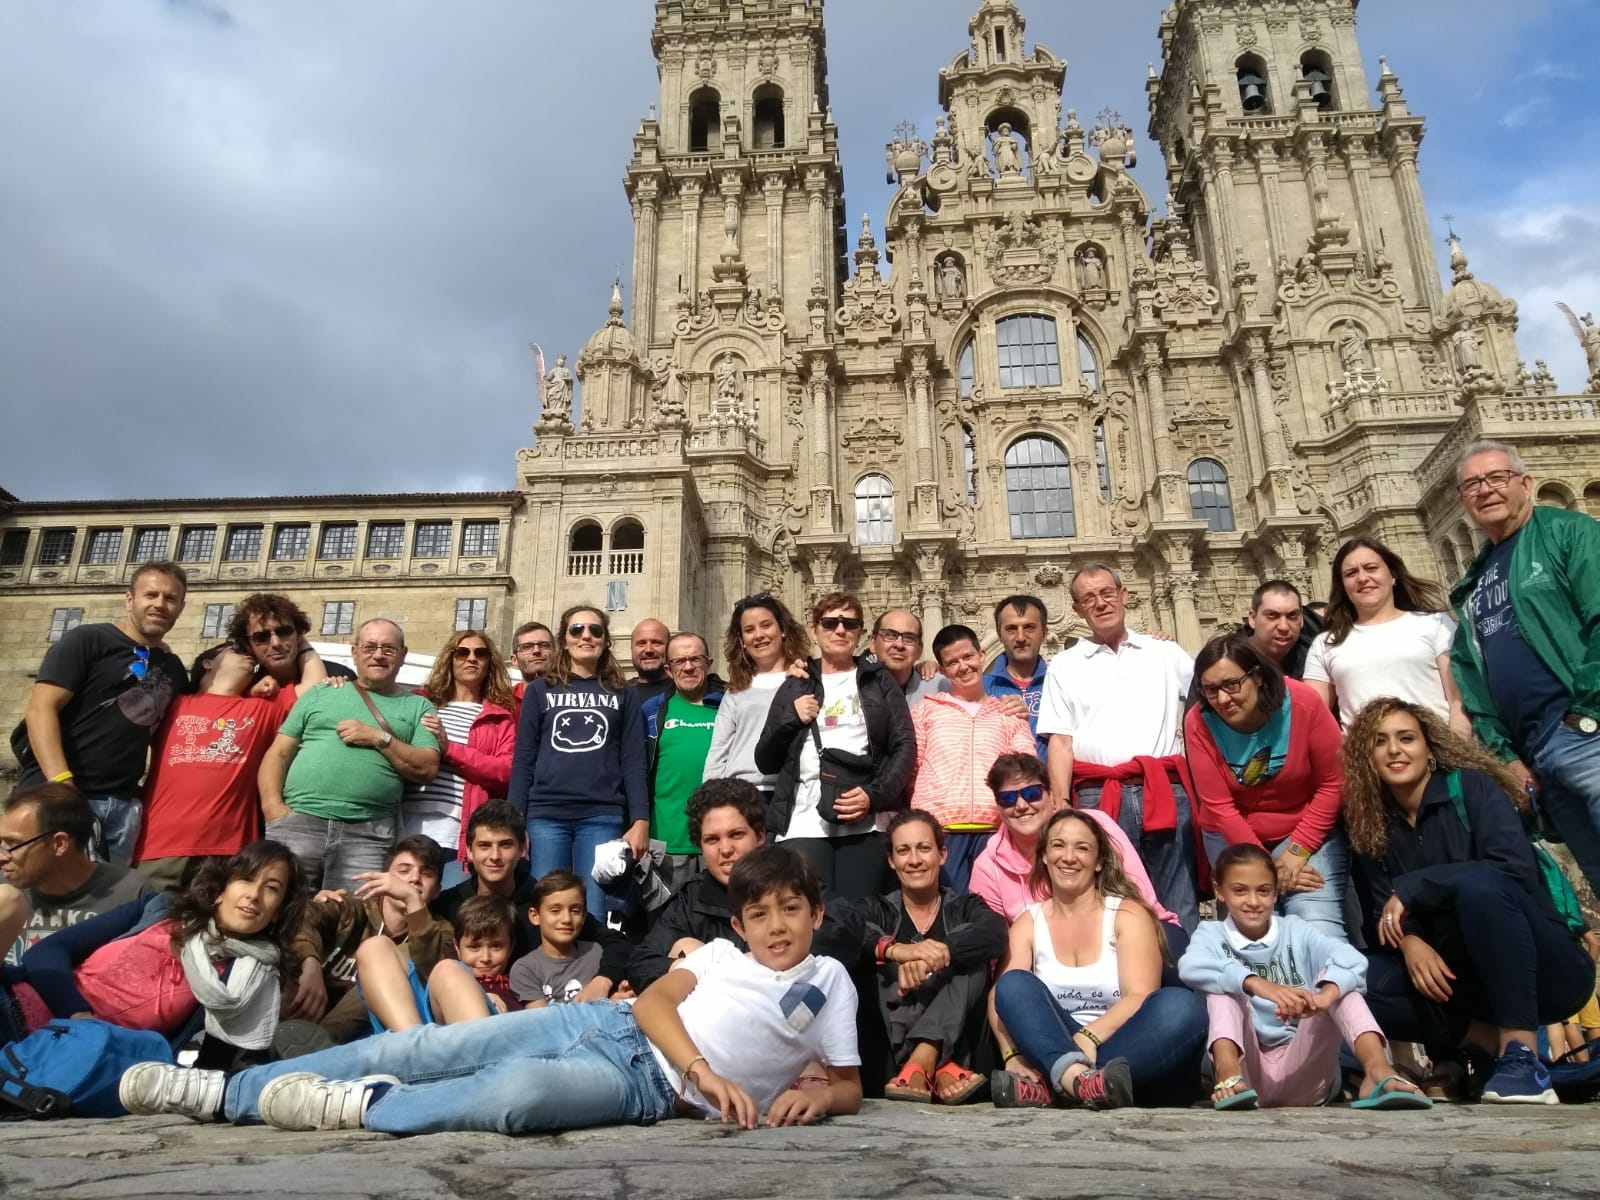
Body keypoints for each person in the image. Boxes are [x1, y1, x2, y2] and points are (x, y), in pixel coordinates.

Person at [120, 845, 864, 1135]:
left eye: (791, 911)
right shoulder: (723, 957)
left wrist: (818, 1097)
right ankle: (222, 1095)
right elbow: (656, 1002)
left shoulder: (829, 982)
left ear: (816, 913)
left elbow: (848, 1085)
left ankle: (366, 1106)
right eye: (759, 913)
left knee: (515, 1098)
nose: (776, 927)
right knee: (440, 1044)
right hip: (617, 1028)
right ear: (739, 919)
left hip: (644, 1087)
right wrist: (707, 1071)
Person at [1344, 697, 1596, 1104]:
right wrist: (1409, 941)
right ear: (1366, 757)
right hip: (1459, 981)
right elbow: (1380, 910)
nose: (1394, 750)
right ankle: (1496, 1048)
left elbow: (1511, 870)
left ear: (1429, 750)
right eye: (1379, 742)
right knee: (1354, 978)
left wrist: (1414, 886)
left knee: (1481, 885)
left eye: (1406, 738)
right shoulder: (1370, 825)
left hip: (1544, 970)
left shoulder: (1473, 787)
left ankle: (1523, 1052)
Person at [1450, 438, 1600, 899]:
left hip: (1583, 734)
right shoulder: (1473, 582)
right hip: (1534, 754)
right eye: (1473, 484)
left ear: (1526, 483)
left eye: (1496, 477)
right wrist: (1507, 756)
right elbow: (1473, 680)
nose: (1485, 490)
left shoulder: (1568, 533)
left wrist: (1585, 713)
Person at [1179, 843, 1430, 1110]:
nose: (1253, 902)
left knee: (1338, 980)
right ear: (1219, 891)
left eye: (1263, 891)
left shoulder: (1296, 930)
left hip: (1304, 1073)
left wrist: (1325, 997)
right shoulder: (1212, 934)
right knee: (1224, 987)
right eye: (1240, 890)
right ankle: (1226, 1074)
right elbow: (1190, 966)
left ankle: (1378, 1071)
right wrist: (1259, 984)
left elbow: (1353, 959)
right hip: (1246, 1075)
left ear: (1276, 893)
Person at [0, 842, 305, 1060]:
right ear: (222, 887)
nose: (253, 895)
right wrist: (79, 1016)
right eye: (246, 879)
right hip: (14, 1004)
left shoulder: (246, 979)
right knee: (7, 899)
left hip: (69, 1058)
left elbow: (213, 1066)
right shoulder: (158, 910)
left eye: (271, 888)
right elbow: (46, 952)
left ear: (278, 910)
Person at [988, 810, 1207, 1109]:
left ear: (1100, 861)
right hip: (1056, 1041)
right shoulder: (1029, 922)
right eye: (1058, 845)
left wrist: (1087, 1038)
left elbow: (1140, 995)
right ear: (1043, 856)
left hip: (1126, 1045)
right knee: (1012, 985)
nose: (1068, 857)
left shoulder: (1127, 914)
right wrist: (1012, 1057)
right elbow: (1000, 997)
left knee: (1183, 1006)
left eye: (1082, 848)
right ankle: (1081, 1082)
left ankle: (1062, 1085)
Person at [1037, 563, 1200, 930]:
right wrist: (1061, 807)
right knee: (1113, 899)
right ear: (1078, 609)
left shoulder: (1165, 653)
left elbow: (1204, 708)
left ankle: (1185, 982)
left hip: (1164, 788)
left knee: (1179, 894)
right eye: (1088, 598)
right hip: (1098, 795)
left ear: (1124, 596)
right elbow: (1060, 741)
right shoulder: (1064, 664)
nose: (1100, 603)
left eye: (1107, 593)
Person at [11, 559, 190, 863]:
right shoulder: (89, 640)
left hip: (122, 807)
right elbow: (41, 709)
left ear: (181, 607)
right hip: (53, 795)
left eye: (170, 598)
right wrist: (62, 784)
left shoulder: (173, 669)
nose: (160, 604)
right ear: (130, 599)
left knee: (102, 908)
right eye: (151, 595)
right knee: (23, 900)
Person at [627, 779, 865, 993]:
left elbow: (846, 932)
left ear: (760, 837)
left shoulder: (790, 877)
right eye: (712, 839)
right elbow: (641, 963)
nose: (726, 849)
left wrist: (742, 965)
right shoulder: (692, 897)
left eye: (736, 835)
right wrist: (690, 967)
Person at [258, 619, 440, 895]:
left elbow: (427, 766)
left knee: (351, 920)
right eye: (370, 647)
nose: (378, 655)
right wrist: (274, 810)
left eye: (388, 648)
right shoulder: (321, 692)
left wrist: (379, 738)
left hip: (368, 833)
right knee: (282, 911)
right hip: (298, 823)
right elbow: (279, 753)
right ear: (354, 652)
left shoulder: (418, 706)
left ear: (403, 655)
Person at [1185, 635, 1348, 938]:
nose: (1222, 699)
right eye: (1210, 690)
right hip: (1231, 834)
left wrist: (1297, 851)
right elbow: (1220, 806)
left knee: (1316, 923)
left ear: (1257, 676)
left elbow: (1333, 782)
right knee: (1254, 930)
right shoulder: (1199, 722)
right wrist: (1267, 871)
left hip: (1304, 827)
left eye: (1232, 684)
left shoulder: (1302, 703)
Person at [756, 592, 915, 899]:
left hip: (865, 820)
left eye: (850, 623)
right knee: (809, 912)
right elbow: (765, 759)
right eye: (830, 623)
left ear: (860, 634)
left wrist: (875, 795)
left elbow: (904, 745)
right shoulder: (797, 681)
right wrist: (791, 717)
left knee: (859, 915)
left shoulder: (878, 680)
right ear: (815, 630)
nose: (840, 630)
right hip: (804, 819)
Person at [136, 637, 328, 893]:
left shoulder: (263, 708)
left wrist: (296, 636)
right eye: (238, 649)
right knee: (147, 928)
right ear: (208, 662)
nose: (250, 655)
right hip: (159, 848)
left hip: (229, 852)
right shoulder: (175, 703)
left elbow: (315, 687)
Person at [508, 605, 648, 917]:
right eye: (577, 629)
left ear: (606, 641)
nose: (586, 635)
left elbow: (633, 760)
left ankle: (596, 967)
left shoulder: (623, 694)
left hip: (601, 816)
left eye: (595, 630)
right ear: (564, 639)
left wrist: (640, 820)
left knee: (594, 911)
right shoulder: (541, 692)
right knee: (550, 907)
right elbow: (523, 761)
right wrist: (515, 821)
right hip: (545, 816)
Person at [861, 811, 1007, 1105]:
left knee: (970, 959)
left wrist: (941, 951)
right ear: (891, 861)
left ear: (942, 854)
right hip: (890, 1043)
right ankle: (939, 1067)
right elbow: (843, 930)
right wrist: (898, 951)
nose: (914, 860)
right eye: (903, 850)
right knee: (871, 963)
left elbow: (995, 932)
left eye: (924, 848)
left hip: (966, 1046)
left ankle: (924, 1057)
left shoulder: (965, 906)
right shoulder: (876, 908)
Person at [432, 801, 632, 986]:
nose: (494, 856)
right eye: (484, 846)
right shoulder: (448, 903)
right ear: (469, 851)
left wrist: (602, 982)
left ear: (521, 849)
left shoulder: (545, 902)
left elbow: (616, 944)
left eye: (505, 845)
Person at [287, 834, 452, 1044]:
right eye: (403, 870)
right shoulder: (349, 910)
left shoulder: (440, 931)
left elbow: (434, 972)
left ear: (437, 890)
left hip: (371, 1037)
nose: (414, 879)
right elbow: (299, 920)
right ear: (385, 877)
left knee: (399, 954)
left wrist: (413, 901)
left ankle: (321, 1042)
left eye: (426, 874)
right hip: (298, 1021)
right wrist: (310, 962)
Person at [909, 625, 1037, 892]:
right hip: (941, 829)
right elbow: (913, 767)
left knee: (992, 910)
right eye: (952, 663)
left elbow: (1027, 767)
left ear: (981, 655)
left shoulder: (1008, 712)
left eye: (968, 657)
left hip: (995, 827)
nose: (963, 667)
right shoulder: (926, 711)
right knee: (949, 908)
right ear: (943, 670)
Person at [1303, 537, 1467, 735]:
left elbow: (1459, 700)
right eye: (1351, 573)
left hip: (1436, 755)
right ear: (1343, 585)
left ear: (1393, 575)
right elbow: (1312, 715)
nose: (1362, 578)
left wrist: (1456, 753)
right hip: (1363, 761)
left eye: (1371, 568)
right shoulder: (1325, 644)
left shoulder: (1435, 624)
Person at [406, 629, 516, 888]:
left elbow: (504, 770)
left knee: (451, 908)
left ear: (490, 662)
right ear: (450, 659)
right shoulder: (421, 702)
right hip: (408, 820)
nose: (471, 658)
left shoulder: (499, 718)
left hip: (458, 831)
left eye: (481, 653)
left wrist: (450, 749)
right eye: (462, 652)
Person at [2, 784, 154, 964]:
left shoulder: (132, 892)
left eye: (12, 844)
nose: (2, 857)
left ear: (59, 843)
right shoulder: (5, 893)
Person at [702, 592, 811, 796]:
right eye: (749, 630)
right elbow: (718, 751)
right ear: (742, 641)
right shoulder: (735, 691)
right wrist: (711, 801)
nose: (759, 635)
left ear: (783, 630)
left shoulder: (804, 679)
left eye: (766, 625)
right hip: (741, 794)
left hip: (792, 792)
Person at [357, 894, 520, 1030]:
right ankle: (411, 1044)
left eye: (496, 946)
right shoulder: (442, 971)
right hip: (415, 1029)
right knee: (374, 947)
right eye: (474, 947)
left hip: (481, 1040)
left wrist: (488, 1001)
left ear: (511, 947)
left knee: (448, 970)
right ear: (457, 946)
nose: (485, 958)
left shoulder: (521, 983)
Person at [642, 632, 725, 888]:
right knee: (667, 924)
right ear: (668, 669)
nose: (688, 667)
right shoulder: (651, 710)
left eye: (695, 659)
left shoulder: (730, 705)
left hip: (722, 840)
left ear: (709, 663)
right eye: (679, 661)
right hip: (667, 840)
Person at [508, 869, 606, 1007]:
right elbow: (543, 1023)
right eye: (555, 911)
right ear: (535, 916)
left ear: (584, 916)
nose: (566, 919)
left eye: (575, 911)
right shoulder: (525, 969)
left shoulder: (598, 954)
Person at [984, 595, 1051, 755]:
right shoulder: (981, 687)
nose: (1021, 637)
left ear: (1044, 633)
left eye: (1029, 627)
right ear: (999, 634)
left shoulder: (1060, 684)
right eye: (1011, 629)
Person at [867, 610, 949, 709]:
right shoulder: (852, 687)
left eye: (909, 638)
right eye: (889, 635)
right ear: (873, 643)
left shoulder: (942, 688)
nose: (899, 645)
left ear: (920, 649)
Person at [1242, 580, 1321, 681]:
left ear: (1301, 618)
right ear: (1252, 619)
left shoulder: (1316, 657)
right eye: (1272, 615)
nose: (1284, 627)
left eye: (1292, 615)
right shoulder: (1228, 659)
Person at [626, 618, 674, 705]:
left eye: (656, 643)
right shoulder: (618, 694)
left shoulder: (683, 691)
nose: (648, 650)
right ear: (631, 649)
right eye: (641, 643)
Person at [509, 621, 555, 701]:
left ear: (556, 654)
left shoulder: (573, 697)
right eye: (526, 647)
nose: (536, 650)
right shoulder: (503, 702)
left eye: (544, 645)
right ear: (514, 660)